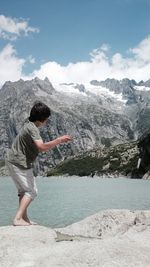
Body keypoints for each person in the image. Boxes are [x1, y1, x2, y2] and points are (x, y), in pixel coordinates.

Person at [6, 101, 72, 226]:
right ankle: (18, 219)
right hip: (20, 163)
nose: (47, 121)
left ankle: (24, 219)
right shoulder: (33, 129)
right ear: (42, 119)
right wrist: (59, 140)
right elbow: (41, 147)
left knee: (23, 191)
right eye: (47, 119)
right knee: (32, 191)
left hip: (13, 161)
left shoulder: (28, 125)